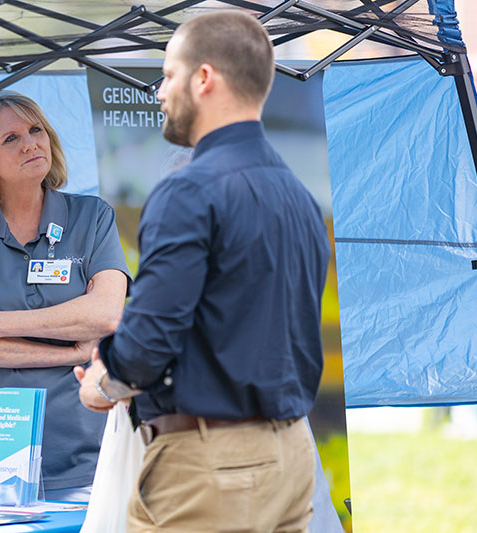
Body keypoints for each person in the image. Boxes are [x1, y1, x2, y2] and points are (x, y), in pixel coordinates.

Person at [74, 10, 330, 532]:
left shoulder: (186, 190)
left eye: (168, 75)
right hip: (292, 457)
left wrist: (103, 379)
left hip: (212, 468)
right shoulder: (299, 197)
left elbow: (147, 345)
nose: (160, 91)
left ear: (204, 78)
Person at [0, 91, 130, 501]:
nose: (32, 143)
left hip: (79, 454)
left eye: (37, 131)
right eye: (11, 138)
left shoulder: (93, 217)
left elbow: (106, 315)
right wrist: (73, 351)